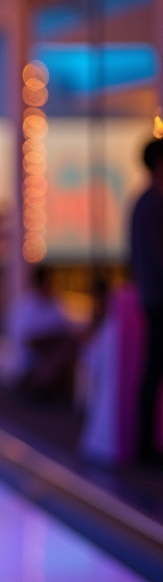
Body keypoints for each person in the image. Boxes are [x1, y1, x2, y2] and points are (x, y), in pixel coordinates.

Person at [132, 138, 163, 464]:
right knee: (153, 370)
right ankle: (145, 446)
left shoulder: (144, 201)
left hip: (151, 296)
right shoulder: (152, 202)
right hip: (157, 298)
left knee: (152, 370)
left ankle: (145, 443)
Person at [9, 265, 76, 399]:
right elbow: (26, 340)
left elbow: (66, 330)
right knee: (60, 352)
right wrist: (52, 338)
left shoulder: (56, 303)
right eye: (49, 282)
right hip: (30, 364)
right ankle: (36, 386)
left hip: (50, 356)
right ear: (39, 283)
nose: (51, 286)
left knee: (66, 350)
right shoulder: (25, 307)